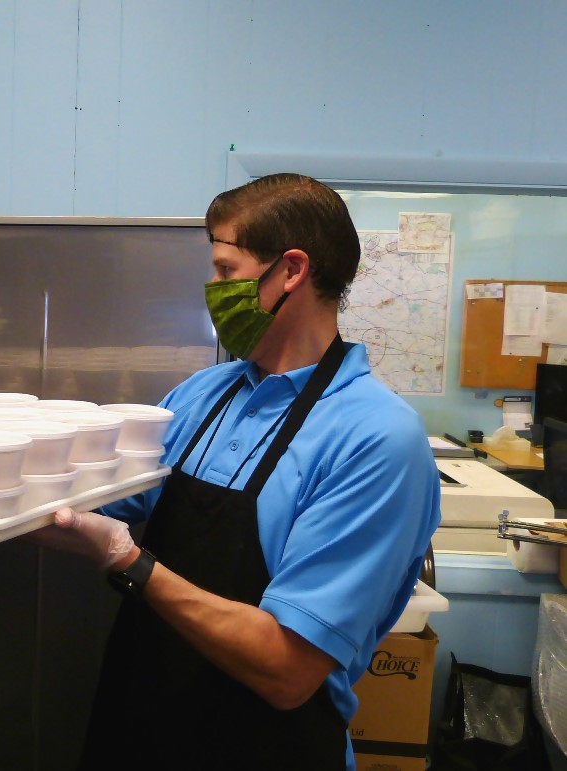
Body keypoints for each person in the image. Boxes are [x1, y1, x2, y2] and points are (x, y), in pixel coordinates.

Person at [37, 173, 441, 770]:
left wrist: (129, 562)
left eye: (226, 270)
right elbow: (100, 507)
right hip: (140, 727)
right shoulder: (203, 394)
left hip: (268, 747)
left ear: (292, 271)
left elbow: (288, 670)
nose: (213, 287)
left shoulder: (376, 439)